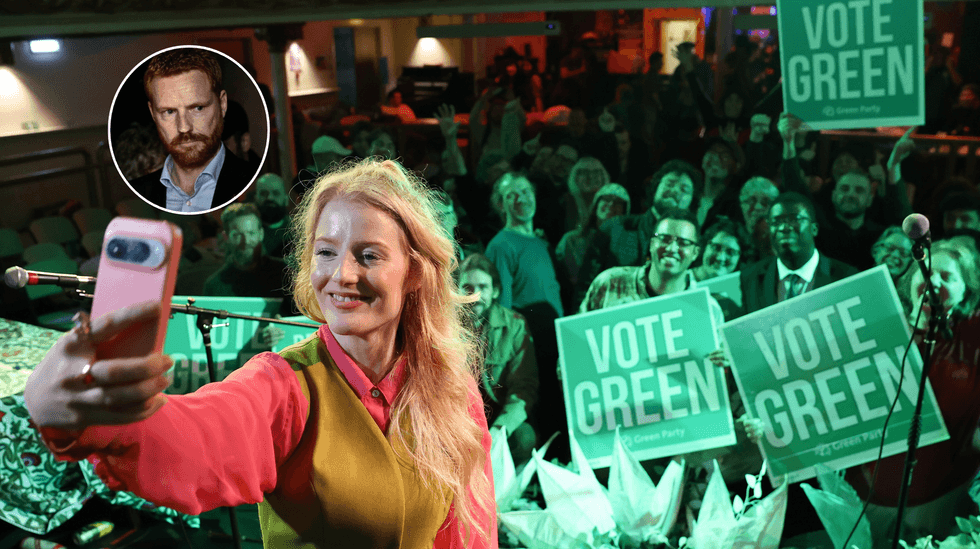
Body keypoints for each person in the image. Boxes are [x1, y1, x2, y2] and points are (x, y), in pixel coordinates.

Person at [24, 158, 497, 548]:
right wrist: (93, 418)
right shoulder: (284, 386)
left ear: (414, 273)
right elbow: (199, 438)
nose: (341, 275)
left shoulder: (449, 387)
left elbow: (471, 529)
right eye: (326, 252)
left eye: (368, 255)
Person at [846, 239, 980, 544]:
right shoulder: (873, 332)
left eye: (947, 277)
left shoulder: (972, 341)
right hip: (865, 498)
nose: (934, 281)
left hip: (941, 503)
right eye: (927, 272)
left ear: (966, 291)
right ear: (910, 281)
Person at [129, 48, 255, 213]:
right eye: (169, 111)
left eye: (198, 108)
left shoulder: (255, 186)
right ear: (153, 113)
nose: (184, 127)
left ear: (222, 104)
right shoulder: (137, 195)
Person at [459, 254, 538, 467]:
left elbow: (524, 388)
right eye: (467, 288)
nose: (475, 295)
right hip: (460, 421)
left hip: (498, 419)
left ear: (495, 291)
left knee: (524, 438)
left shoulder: (514, 325)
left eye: (482, 287)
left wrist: (499, 430)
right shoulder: (444, 325)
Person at [740, 192, 860, 315]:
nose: (784, 228)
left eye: (794, 220)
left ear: (814, 228)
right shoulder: (750, 278)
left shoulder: (846, 277)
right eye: (776, 222)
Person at [589, 159, 703, 270]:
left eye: (684, 190)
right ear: (655, 187)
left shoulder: (692, 246)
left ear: (692, 202)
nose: (675, 191)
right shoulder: (615, 227)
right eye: (669, 184)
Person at [556, 183, 630, 314]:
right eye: (606, 199)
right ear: (596, 205)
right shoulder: (570, 240)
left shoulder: (628, 247)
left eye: (618, 202)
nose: (611, 204)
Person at [691, 217, 745, 282]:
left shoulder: (739, 286)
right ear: (705, 246)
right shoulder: (682, 279)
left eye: (730, 252)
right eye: (716, 247)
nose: (721, 258)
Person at [251, 173, 291, 259]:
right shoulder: (246, 234)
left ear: (286, 199)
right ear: (255, 199)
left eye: (276, 193)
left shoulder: (299, 231)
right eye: (263, 193)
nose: (269, 198)